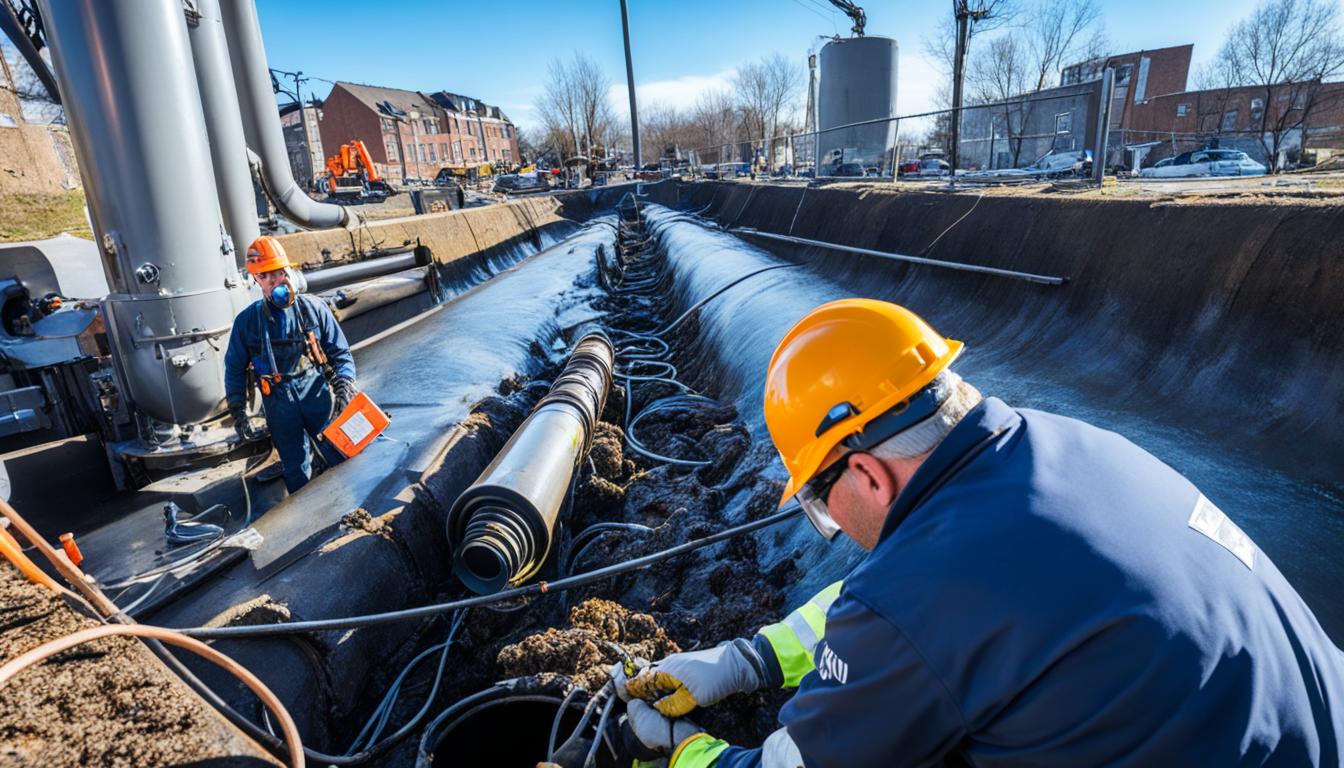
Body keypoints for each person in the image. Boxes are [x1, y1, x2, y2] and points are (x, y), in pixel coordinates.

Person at [614, 298, 1344, 767]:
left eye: (823, 505)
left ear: (866, 474)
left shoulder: (932, 586)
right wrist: (750, 660)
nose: (835, 528)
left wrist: (684, 752)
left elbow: (813, 745)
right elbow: (926, 613)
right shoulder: (1063, 448)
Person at [224, 236, 357, 493]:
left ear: (288, 271)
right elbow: (234, 369)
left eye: (278, 272)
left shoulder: (313, 308)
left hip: (317, 394)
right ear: (256, 281)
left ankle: (354, 507)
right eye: (266, 276)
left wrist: (345, 383)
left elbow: (341, 353)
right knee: (296, 471)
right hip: (278, 403)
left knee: (340, 452)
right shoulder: (247, 323)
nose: (275, 281)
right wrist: (238, 410)